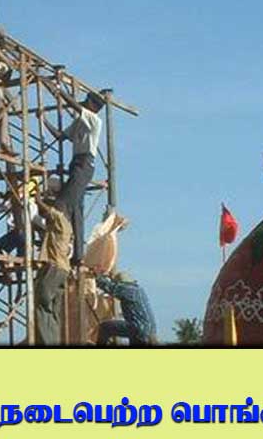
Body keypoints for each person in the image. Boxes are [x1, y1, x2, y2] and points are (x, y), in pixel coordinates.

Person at [44, 92, 106, 263]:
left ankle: (63, 246)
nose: (84, 103)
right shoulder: (80, 121)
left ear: (93, 106)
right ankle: (78, 255)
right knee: (76, 209)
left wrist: (58, 90)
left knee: (63, 203)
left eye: (87, 101)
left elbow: (74, 105)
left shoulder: (94, 120)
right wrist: (44, 120)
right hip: (77, 164)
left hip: (84, 164)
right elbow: (60, 136)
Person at [34, 195, 72, 345]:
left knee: (41, 302)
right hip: (62, 270)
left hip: (55, 267)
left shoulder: (61, 220)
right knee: (54, 310)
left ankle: (46, 342)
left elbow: (52, 213)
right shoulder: (59, 227)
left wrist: (38, 200)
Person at [95, 271, 158, 346]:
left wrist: (97, 276)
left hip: (138, 328)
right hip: (150, 333)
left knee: (105, 327)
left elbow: (110, 287)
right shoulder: (139, 290)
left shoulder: (128, 289)